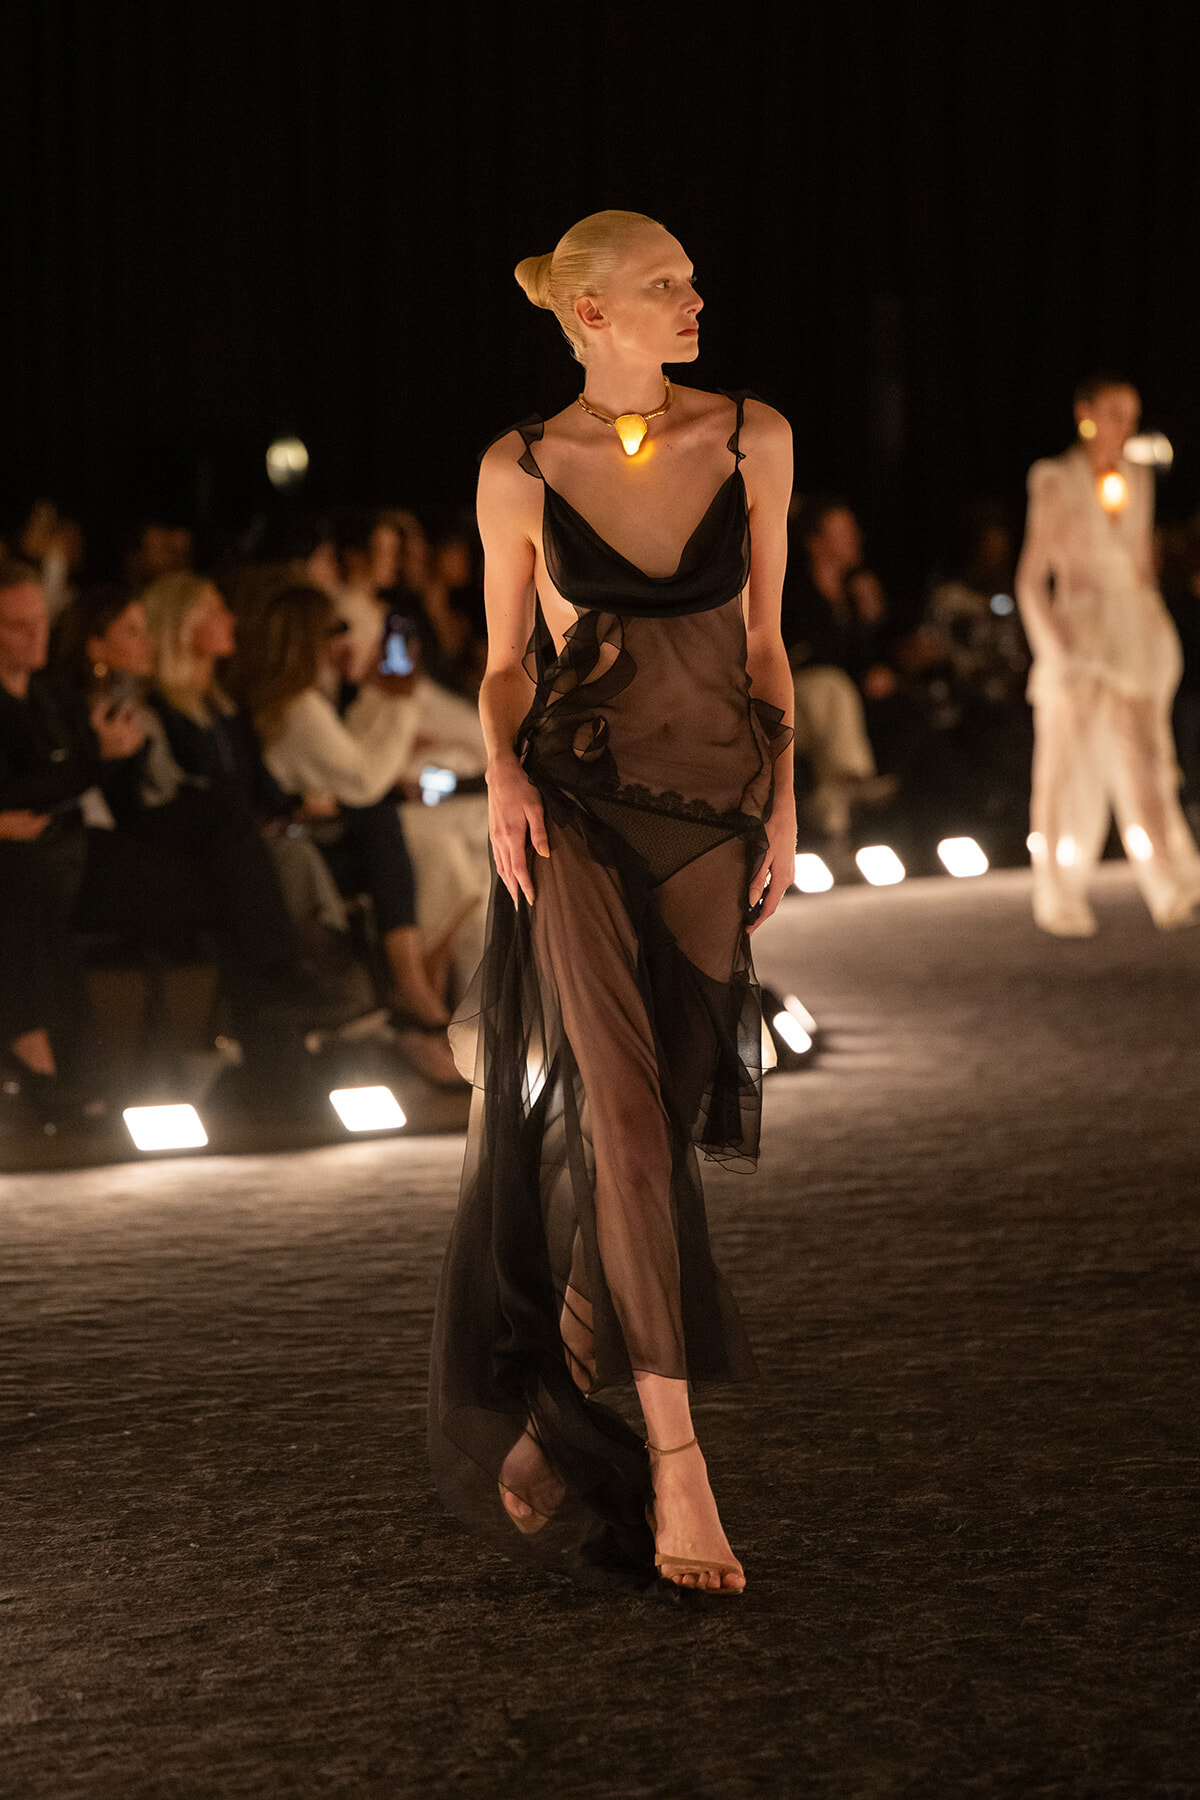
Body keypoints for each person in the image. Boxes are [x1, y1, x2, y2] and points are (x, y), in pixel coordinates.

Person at [428, 210, 795, 1593]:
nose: (695, 298)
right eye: (663, 284)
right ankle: (676, 1468)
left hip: (717, 807)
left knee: (673, 1122)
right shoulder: (521, 469)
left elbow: (766, 638)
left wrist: (789, 798)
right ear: (592, 317)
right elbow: (505, 661)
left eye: (692, 277)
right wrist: (501, 775)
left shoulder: (756, 435)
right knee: (622, 1124)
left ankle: (558, 1424)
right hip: (574, 802)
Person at [224, 580, 463, 1087]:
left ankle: (419, 996)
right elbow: (363, 779)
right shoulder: (297, 707)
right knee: (381, 815)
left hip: (321, 836)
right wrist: (400, 700)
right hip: (302, 850)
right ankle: (413, 992)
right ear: (306, 639)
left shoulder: (302, 702)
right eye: (331, 631)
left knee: (431, 847)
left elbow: (353, 762)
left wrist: (381, 695)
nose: (342, 642)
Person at [1015, 375, 1200, 933]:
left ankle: (1169, 881)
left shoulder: (1138, 477)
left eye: (1132, 414)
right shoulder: (1055, 478)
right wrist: (1058, 652)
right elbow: (1031, 579)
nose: (1125, 425)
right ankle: (1056, 888)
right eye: (1115, 412)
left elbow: (1140, 567)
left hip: (1134, 635)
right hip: (1078, 637)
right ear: (1086, 414)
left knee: (1146, 761)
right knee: (1063, 767)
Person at [782, 496, 895, 838]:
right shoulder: (794, 591)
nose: (855, 539)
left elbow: (862, 660)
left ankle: (839, 822)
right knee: (831, 686)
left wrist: (869, 618)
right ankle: (853, 776)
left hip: (837, 701)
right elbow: (801, 654)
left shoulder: (854, 592)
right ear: (816, 542)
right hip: (796, 694)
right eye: (843, 532)